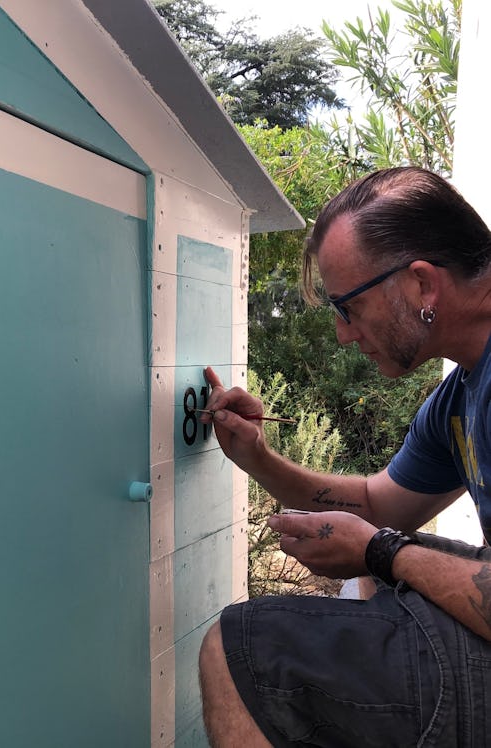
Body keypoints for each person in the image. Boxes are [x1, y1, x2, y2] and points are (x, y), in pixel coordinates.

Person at [198, 166, 491, 747]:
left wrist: (381, 551)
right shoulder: (460, 395)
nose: (341, 333)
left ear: (421, 286)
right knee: (375, 583)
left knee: (246, 652)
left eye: (347, 306)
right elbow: (379, 504)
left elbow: (379, 534)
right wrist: (258, 456)